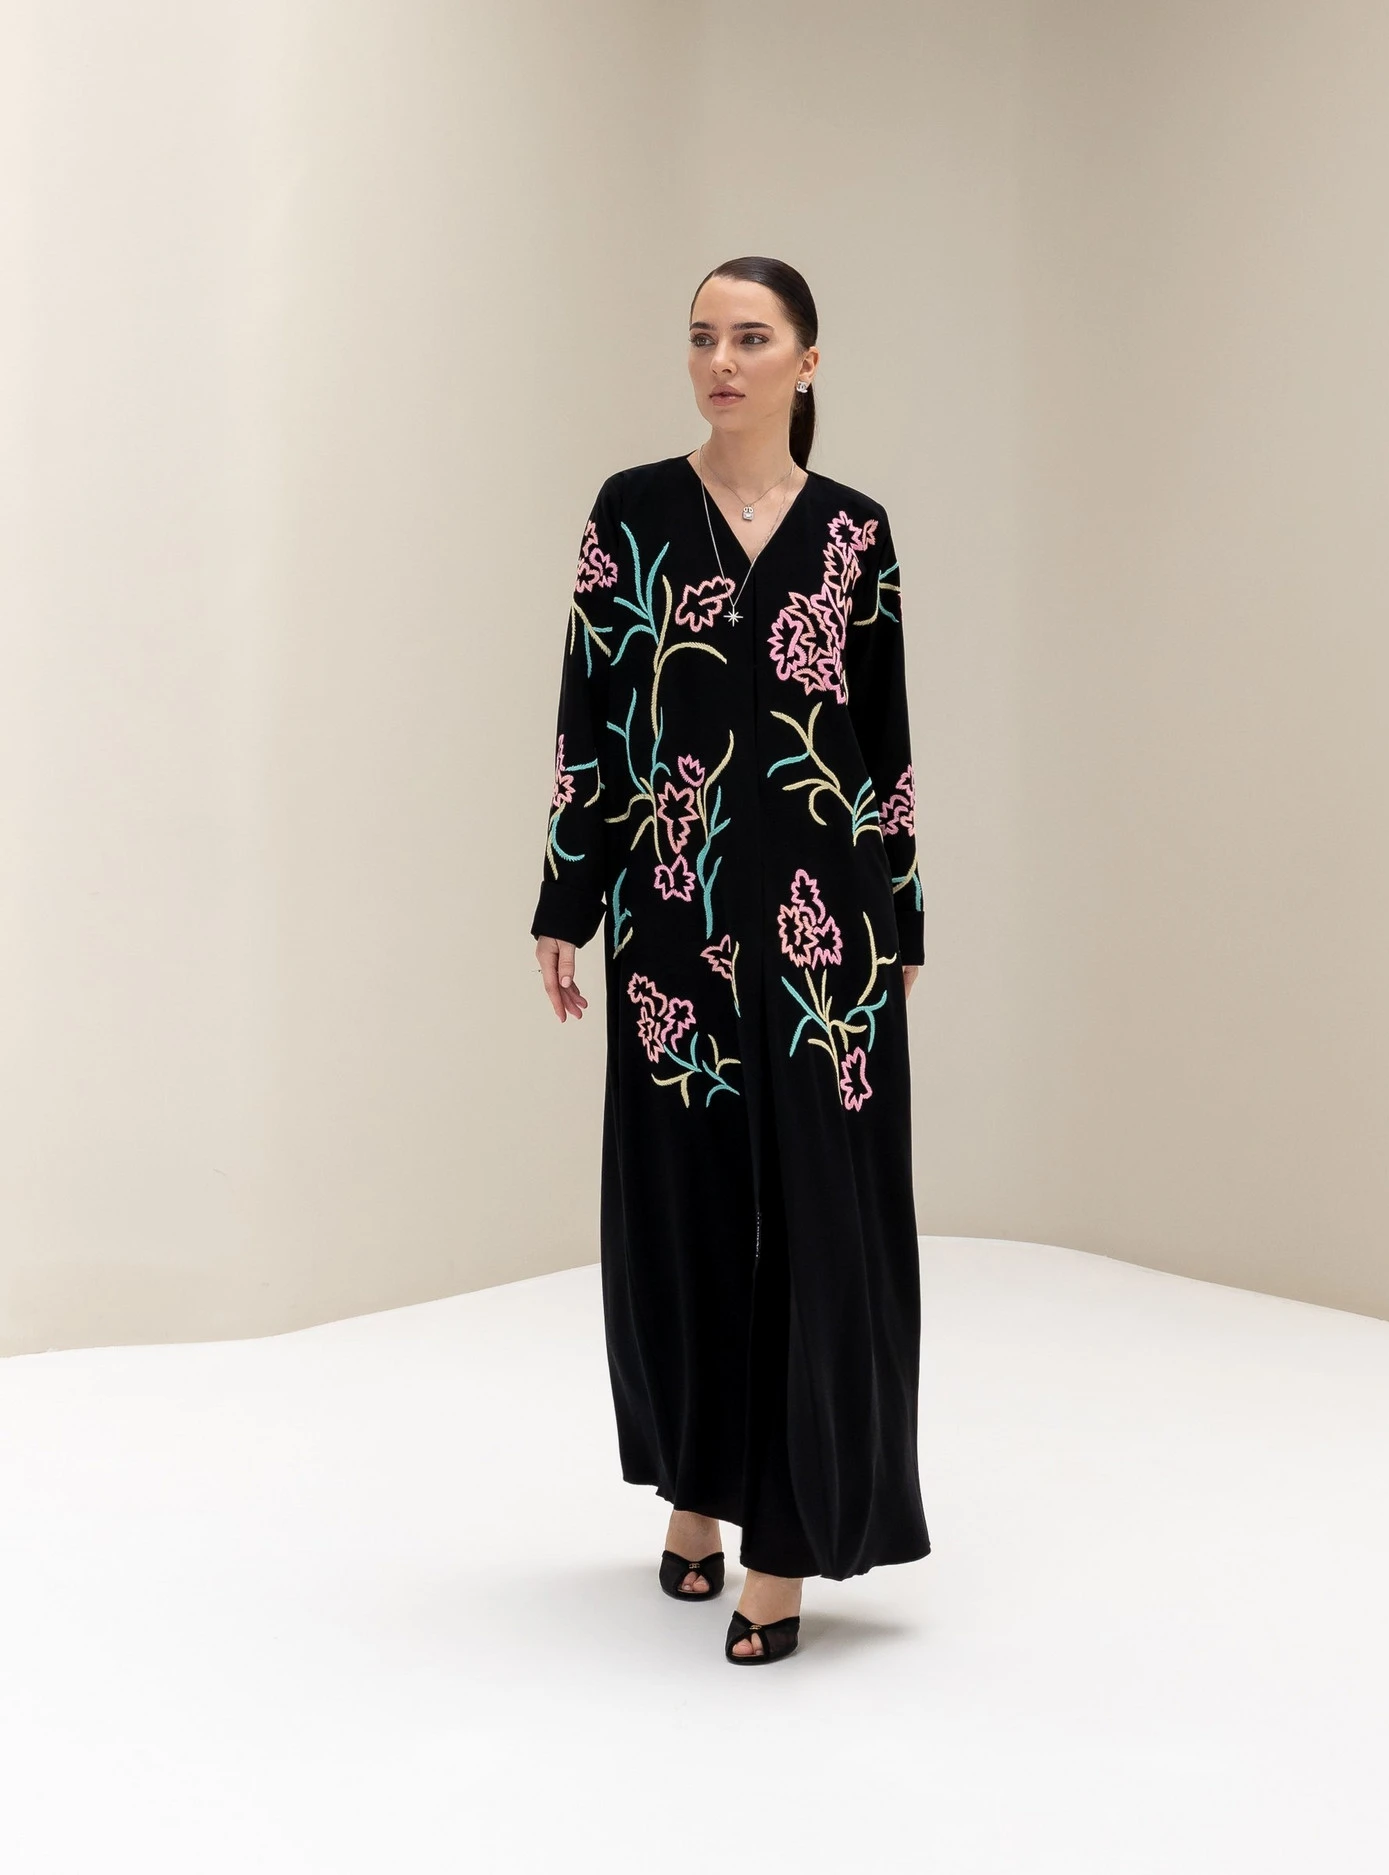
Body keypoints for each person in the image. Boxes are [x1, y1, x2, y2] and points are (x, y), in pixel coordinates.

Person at [530, 255, 929, 1666]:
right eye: (703, 336)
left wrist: (904, 921)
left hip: (829, 938)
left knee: (824, 1227)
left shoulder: (856, 533)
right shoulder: (631, 513)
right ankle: (696, 1488)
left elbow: (882, 743)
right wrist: (567, 897)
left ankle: (790, 1544)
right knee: (684, 1214)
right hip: (673, 925)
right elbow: (592, 718)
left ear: (807, 361)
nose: (722, 360)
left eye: (752, 338)